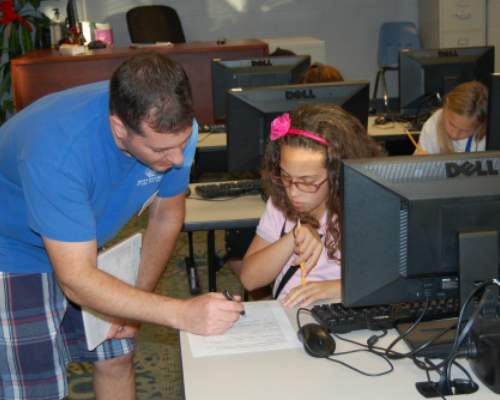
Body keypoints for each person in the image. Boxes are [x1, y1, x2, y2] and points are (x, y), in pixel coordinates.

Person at [0, 52, 243, 400]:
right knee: (37, 387)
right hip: (12, 249)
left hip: (81, 235)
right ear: (119, 128)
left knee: (117, 355)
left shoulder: (170, 127)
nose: (177, 160)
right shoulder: (58, 152)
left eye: (182, 143)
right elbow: (76, 280)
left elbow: (166, 215)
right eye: (161, 150)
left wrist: (137, 304)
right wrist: (180, 312)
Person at [240, 104, 384, 307]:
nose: (292, 191)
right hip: (292, 315)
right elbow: (250, 279)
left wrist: (333, 288)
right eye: (285, 176)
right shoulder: (279, 203)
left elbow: (387, 281)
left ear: (337, 177)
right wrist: (294, 236)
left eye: (307, 182)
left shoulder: (364, 208)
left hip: (347, 312)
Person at [414, 80, 488, 155]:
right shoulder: (433, 124)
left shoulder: (488, 138)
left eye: (464, 131)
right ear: (445, 109)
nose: (454, 134)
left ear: (480, 126)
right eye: (451, 124)